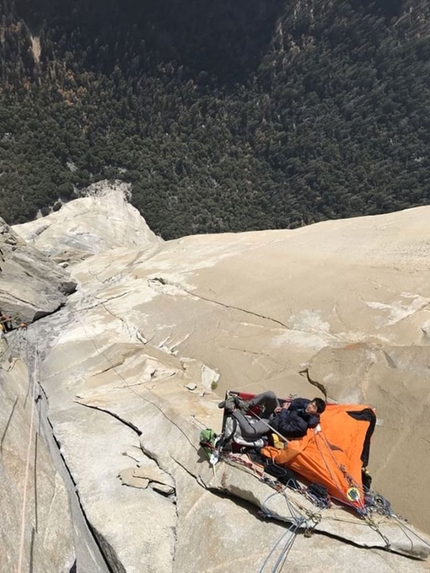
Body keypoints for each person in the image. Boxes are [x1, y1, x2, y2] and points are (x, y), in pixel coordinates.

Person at [220, 391, 326, 441]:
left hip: (271, 423)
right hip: (276, 412)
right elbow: (296, 402)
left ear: (316, 413)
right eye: (311, 403)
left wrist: (283, 411)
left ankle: (233, 409)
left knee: (250, 431)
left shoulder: (303, 425)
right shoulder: (304, 407)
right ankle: (246, 405)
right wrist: (285, 407)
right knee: (270, 394)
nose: (310, 406)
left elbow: (283, 428)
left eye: (313, 407)